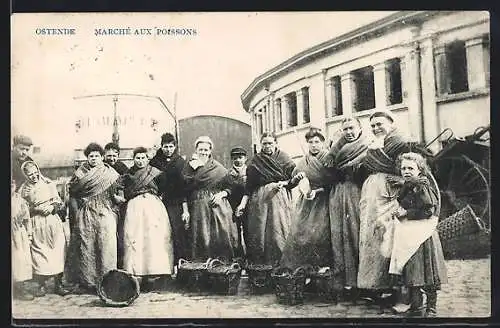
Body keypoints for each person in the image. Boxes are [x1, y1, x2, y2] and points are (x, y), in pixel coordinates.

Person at [357, 111, 411, 304]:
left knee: (388, 237)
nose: (376, 128)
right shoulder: (374, 144)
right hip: (372, 194)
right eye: (372, 125)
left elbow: (415, 165)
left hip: (391, 194)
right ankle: (373, 285)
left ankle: (393, 286)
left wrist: (402, 179)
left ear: (391, 123)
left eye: (379, 124)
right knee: (370, 235)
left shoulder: (399, 142)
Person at [388, 152, 448, 317]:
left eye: (410, 168)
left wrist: (406, 212)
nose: (406, 171)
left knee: (428, 272)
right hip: (410, 232)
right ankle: (416, 306)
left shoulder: (421, 186)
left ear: (420, 170)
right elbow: (402, 200)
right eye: (403, 168)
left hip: (422, 234)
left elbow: (429, 210)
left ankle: (431, 307)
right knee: (413, 270)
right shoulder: (408, 185)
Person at [236, 132, 302, 266]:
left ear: (276, 143)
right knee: (261, 232)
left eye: (270, 143)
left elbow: (293, 181)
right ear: (261, 145)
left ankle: (281, 265)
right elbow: (249, 187)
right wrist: (242, 204)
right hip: (260, 201)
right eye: (264, 143)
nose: (267, 146)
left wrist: (284, 183)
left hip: (279, 200)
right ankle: (262, 265)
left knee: (279, 230)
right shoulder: (255, 161)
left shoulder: (284, 158)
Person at [325, 117, 369, 300]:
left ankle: (363, 283)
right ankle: (344, 283)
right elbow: (328, 171)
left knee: (356, 234)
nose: (349, 132)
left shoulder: (367, 147)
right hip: (337, 195)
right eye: (345, 129)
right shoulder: (334, 150)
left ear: (359, 128)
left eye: (352, 128)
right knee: (338, 236)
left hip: (357, 193)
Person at [67, 142, 121, 293]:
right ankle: (89, 282)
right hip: (87, 213)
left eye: (97, 156)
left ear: (102, 157)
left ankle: (108, 279)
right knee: (87, 245)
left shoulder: (109, 173)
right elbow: (73, 193)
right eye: (91, 156)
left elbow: (116, 191)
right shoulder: (80, 174)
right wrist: (77, 209)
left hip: (105, 211)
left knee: (106, 245)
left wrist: (116, 201)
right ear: (87, 158)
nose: (94, 158)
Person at [279, 128, 334, 272]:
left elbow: (334, 182)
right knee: (301, 233)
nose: (314, 145)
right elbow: (292, 182)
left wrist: (317, 191)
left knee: (320, 234)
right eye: (311, 142)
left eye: (317, 142)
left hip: (323, 200)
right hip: (306, 202)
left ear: (323, 143)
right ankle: (303, 269)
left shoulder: (328, 158)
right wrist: (296, 179)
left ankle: (321, 269)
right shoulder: (303, 161)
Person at [121, 147, 174, 291]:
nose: (140, 161)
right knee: (136, 237)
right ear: (134, 159)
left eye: (143, 158)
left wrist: (156, 197)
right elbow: (122, 189)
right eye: (137, 158)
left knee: (153, 239)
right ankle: (137, 273)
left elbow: (165, 188)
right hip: (135, 207)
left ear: (147, 159)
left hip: (153, 206)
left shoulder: (155, 173)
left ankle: (155, 274)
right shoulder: (129, 174)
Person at [182, 136, 238, 262]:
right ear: (196, 150)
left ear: (210, 151)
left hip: (217, 207)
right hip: (198, 208)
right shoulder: (188, 167)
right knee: (201, 237)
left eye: (206, 150)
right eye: (200, 149)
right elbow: (183, 190)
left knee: (219, 236)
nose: (203, 152)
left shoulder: (217, 167)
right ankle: (201, 268)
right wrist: (185, 210)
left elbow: (230, 186)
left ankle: (220, 266)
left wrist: (221, 195)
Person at [19, 161, 70, 296]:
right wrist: (35, 209)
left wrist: (52, 207)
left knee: (58, 249)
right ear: (25, 175)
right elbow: (21, 209)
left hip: (53, 221)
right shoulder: (24, 190)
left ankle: (58, 284)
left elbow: (59, 202)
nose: (34, 177)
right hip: (36, 223)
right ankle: (41, 285)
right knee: (39, 253)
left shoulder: (48, 183)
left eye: (35, 173)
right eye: (30, 175)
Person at [149, 133, 190, 264]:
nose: (168, 149)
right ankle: (162, 264)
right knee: (160, 232)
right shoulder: (154, 162)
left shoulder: (180, 162)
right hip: (158, 202)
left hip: (175, 202)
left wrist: (185, 208)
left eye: (171, 146)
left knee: (177, 232)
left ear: (175, 146)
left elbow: (184, 187)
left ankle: (179, 263)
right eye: (165, 146)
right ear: (161, 147)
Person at [103, 142, 129, 269]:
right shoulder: (101, 168)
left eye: (114, 155)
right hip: (105, 204)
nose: (112, 158)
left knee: (121, 233)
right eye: (109, 156)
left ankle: (120, 264)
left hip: (120, 204)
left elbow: (126, 185)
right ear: (104, 155)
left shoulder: (122, 168)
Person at [11, 179, 35, 300]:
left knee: (20, 259)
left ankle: (20, 288)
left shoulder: (20, 201)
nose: (10, 186)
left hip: (18, 235)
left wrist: (29, 235)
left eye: (12, 184)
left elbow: (27, 220)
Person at [225, 146, 249, 261]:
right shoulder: (228, 174)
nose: (238, 160)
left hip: (249, 206)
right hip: (233, 206)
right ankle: (239, 258)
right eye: (235, 158)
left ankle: (251, 258)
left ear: (245, 158)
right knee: (235, 232)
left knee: (249, 231)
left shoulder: (250, 171)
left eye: (240, 157)